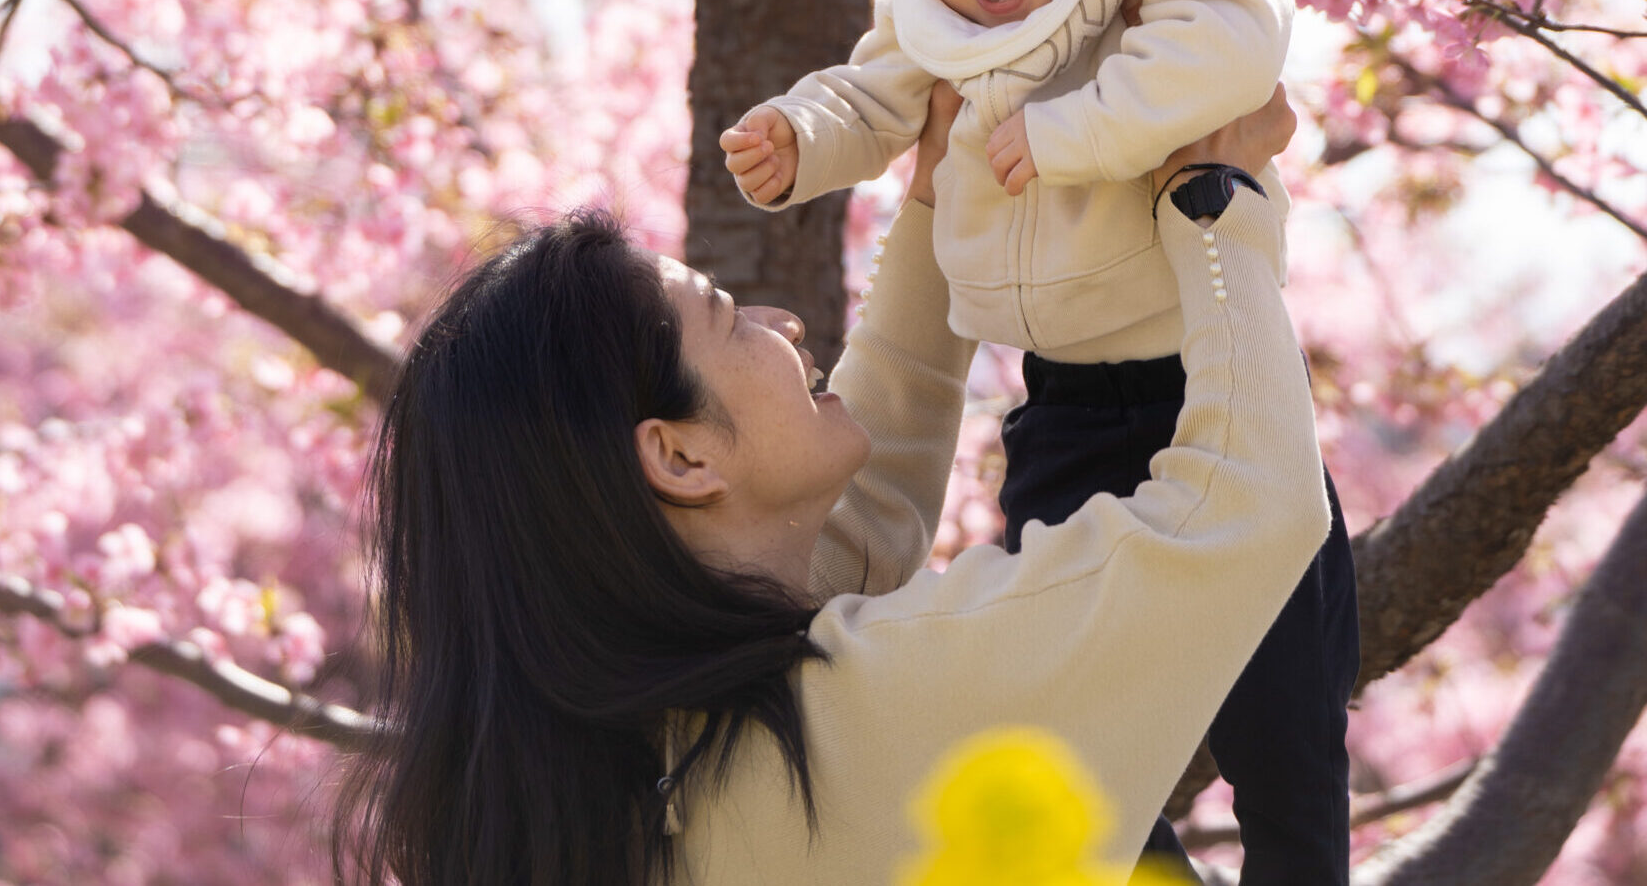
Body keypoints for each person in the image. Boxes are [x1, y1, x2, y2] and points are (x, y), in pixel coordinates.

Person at [334, 85, 1330, 886]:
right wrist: (1212, 202)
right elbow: (1245, 511)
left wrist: (941, 194)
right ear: (680, 458)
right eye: (730, 318)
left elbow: (855, 530)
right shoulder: (866, 711)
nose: (784, 322)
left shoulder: (623, 776)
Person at [720, 0, 1359, 882]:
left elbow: (1231, 44)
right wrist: (801, 137)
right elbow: (872, 92)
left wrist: (1080, 130)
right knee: (1064, 719)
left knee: (1285, 729)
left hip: (1202, 380)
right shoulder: (935, 19)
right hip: (1060, 409)